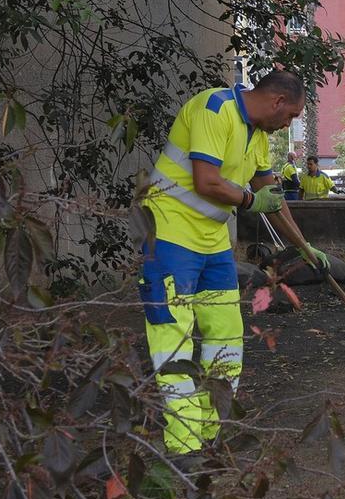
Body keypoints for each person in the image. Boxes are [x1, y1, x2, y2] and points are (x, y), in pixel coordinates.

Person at [140, 71, 331, 455]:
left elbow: (271, 198)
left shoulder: (257, 136)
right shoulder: (216, 108)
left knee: (226, 333)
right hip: (169, 233)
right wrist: (247, 202)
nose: (288, 125)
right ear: (277, 102)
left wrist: (304, 246)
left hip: (210, 240)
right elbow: (206, 181)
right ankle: (184, 444)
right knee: (173, 338)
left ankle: (213, 430)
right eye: (291, 116)